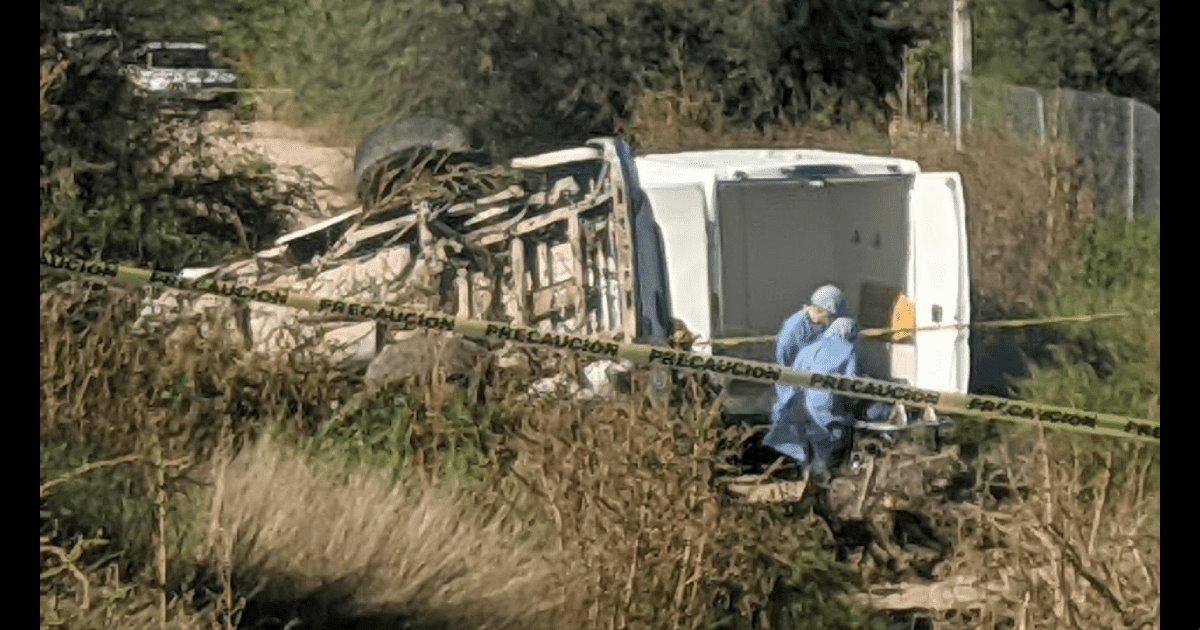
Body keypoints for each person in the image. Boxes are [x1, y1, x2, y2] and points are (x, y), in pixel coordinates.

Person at [764, 315, 861, 477]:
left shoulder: (809, 348)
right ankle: (825, 484)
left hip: (803, 406)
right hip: (827, 406)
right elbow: (852, 384)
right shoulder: (848, 349)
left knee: (810, 446)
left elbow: (793, 377)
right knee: (831, 445)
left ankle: (808, 476)